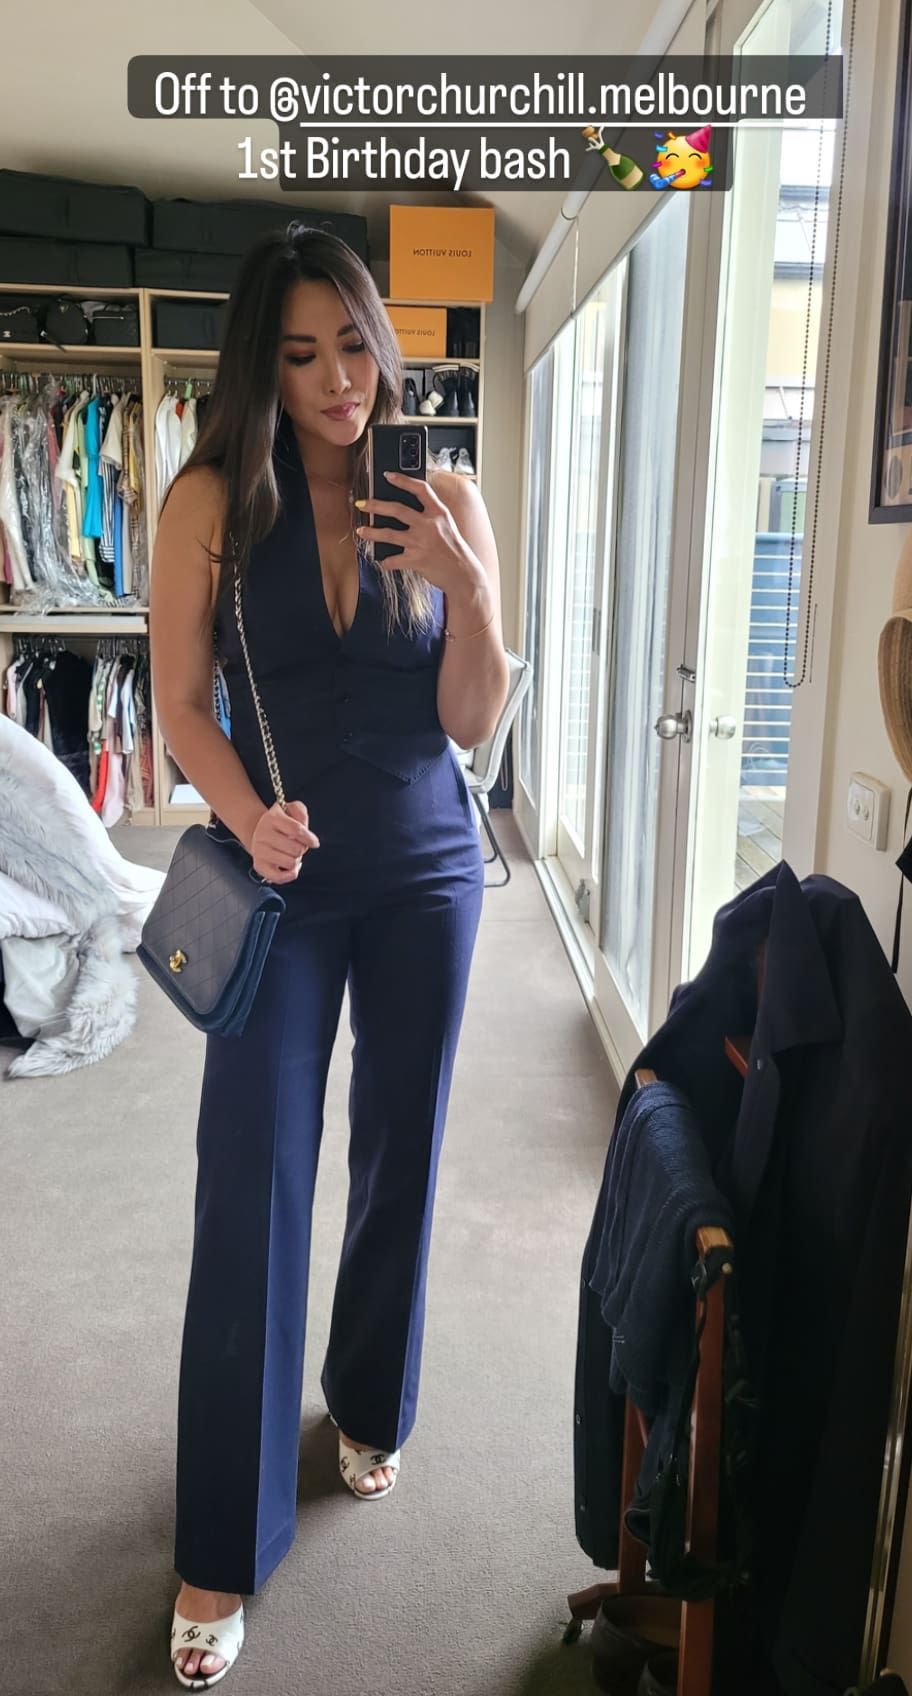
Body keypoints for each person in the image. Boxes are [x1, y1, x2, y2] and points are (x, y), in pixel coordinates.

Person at [149, 221, 510, 1688]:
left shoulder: (444, 490)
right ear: (265, 364)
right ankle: (219, 1546)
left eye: (354, 344)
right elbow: (180, 702)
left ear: (383, 341)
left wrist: (467, 585)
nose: (337, 381)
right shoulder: (209, 500)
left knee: (401, 1146)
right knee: (251, 1174)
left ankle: (369, 1401)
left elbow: (474, 717)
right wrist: (249, 815)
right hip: (281, 876)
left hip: (428, 868)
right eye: (301, 356)